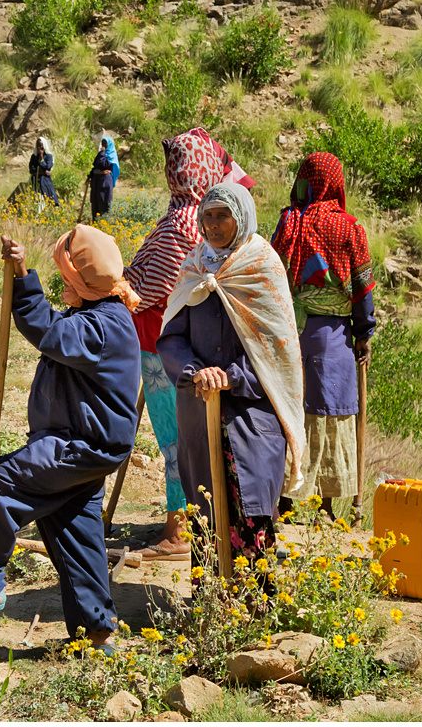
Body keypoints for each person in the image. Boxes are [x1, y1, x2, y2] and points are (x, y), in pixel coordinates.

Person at [0, 225, 142, 655]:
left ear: (83, 280)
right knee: (75, 529)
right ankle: (97, 633)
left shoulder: (103, 326)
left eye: (67, 274)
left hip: (80, 446)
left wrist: (22, 276)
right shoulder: (102, 314)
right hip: (87, 447)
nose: (63, 283)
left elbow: (47, 331)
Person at [156, 183, 305, 572]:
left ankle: (253, 609)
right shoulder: (194, 267)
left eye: (223, 215)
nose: (214, 224)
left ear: (242, 218)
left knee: (252, 509)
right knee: (205, 512)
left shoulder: (263, 267)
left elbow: (278, 350)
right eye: (208, 215)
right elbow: (171, 337)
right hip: (199, 405)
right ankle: (212, 608)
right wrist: (195, 371)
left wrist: (232, 376)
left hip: (251, 412)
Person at [122, 130, 243, 559]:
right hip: (206, 349)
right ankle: (201, 520)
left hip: (163, 348)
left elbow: (152, 288)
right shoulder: (219, 219)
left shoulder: (179, 225)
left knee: (176, 440)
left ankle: (180, 530)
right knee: (199, 438)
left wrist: (123, 284)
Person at [271, 153, 376, 519]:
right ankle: (329, 508)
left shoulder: (289, 224)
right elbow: (362, 288)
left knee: (292, 413)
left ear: (304, 182)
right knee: (331, 415)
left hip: (289, 333)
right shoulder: (350, 228)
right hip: (333, 338)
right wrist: (364, 334)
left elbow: (271, 276)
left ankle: (283, 502)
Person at [88, 139, 115, 219]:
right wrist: (90, 175)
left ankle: (104, 221)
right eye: (102, 143)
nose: (103, 146)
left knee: (104, 200)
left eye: (105, 144)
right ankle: (95, 220)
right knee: (95, 201)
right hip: (96, 181)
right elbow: (96, 166)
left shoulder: (111, 156)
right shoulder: (100, 154)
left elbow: (104, 165)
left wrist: (103, 153)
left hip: (105, 181)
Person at [29, 137, 57, 201]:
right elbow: (31, 170)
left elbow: (48, 167)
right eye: (38, 145)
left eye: (41, 145)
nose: (39, 147)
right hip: (35, 180)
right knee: (36, 198)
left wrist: (41, 159)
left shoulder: (48, 156)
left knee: (48, 199)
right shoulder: (34, 157)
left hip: (45, 181)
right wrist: (44, 172)